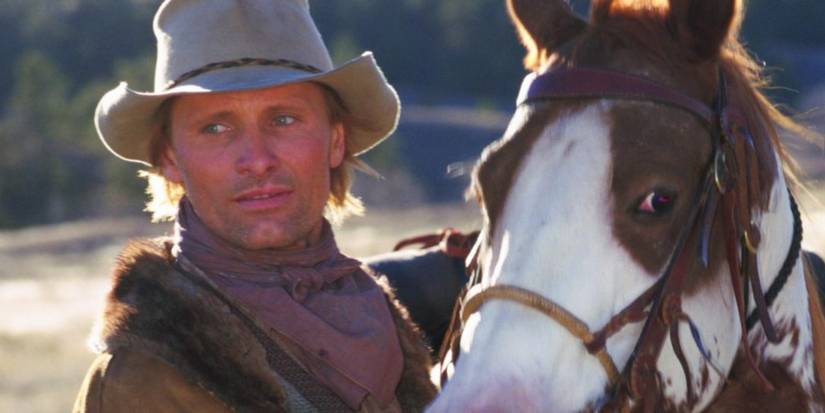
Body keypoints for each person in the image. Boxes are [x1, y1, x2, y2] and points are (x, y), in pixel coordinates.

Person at [72, 1, 437, 412]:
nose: (257, 159)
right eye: (216, 127)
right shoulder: (140, 377)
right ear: (171, 159)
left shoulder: (379, 315)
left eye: (283, 120)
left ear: (335, 141)